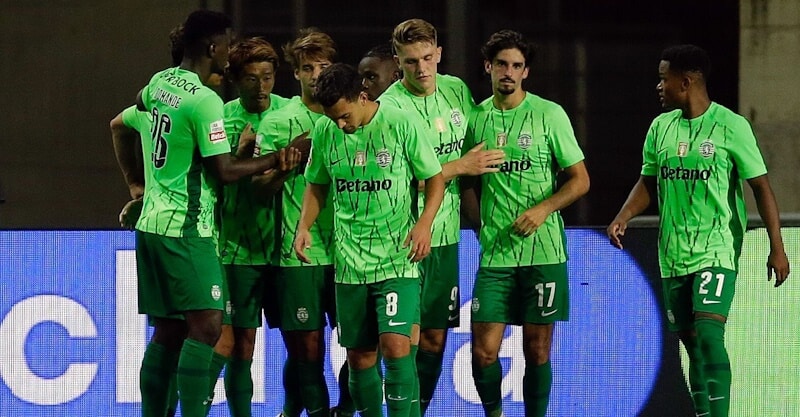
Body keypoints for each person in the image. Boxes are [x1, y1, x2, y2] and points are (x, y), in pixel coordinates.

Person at [112, 10, 307, 417]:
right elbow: (225, 171)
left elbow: (125, 120)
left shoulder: (159, 83)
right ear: (212, 47)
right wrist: (275, 158)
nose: (228, 52)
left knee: (170, 330)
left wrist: (137, 185)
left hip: (151, 224)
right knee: (208, 327)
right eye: (226, 44)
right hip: (186, 228)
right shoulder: (205, 101)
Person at [606, 44, 790, 417]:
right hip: (673, 253)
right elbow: (647, 182)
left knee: (708, 335)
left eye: (663, 78)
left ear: (685, 82)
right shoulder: (660, 128)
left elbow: (762, 187)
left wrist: (777, 245)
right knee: (691, 344)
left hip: (717, 248)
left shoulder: (731, 126)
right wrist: (623, 215)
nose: (658, 86)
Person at [295, 63, 444, 417]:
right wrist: (303, 228)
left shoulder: (400, 123)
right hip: (349, 263)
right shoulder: (325, 131)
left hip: (397, 257)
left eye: (345, 116)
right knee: (359, 356)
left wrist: (424, 224)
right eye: (334, 119)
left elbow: (435, 178)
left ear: (362, 97)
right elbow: (317, 184)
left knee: (396, 346)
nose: (341, 125)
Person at [378, 18, 505, 415]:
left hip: (446, 238)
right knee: (405, 341)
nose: (422, 69)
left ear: (439, 54)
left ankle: (422, 408)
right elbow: (399, 179)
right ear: (398, 62)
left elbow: (474, 164)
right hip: (405, 240)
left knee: (434, 339)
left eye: (427, 58)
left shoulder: (456, 91)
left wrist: (480, 222)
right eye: (411, 61)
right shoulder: (391, 107)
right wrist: (457, 167)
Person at [463, 30, 590, 417]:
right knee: (483, 351)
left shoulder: (549, 114)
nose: (509, 72)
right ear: (488, 67)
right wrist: (480, 223)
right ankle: (495, 412)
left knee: (537, 349)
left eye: (516, 65)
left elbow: (580, 180)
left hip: (544, 253)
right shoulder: (476, 118)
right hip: (497, 256)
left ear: (526, 72)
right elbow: (467, 179)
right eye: (502, 64)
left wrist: (544, 209)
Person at [251, 28, 346, 417]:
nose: (316, 75)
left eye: (323, 66)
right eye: (308, 68)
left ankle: (345, 406)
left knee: (364, 347)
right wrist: (281, 171)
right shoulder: (277, 122)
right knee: (307, 351)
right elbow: (256, 191)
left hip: (349, 252)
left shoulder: (349, 114)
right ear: (297, 73)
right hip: (298, 254)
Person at [216, 36, 292, 417]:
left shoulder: (292, 112)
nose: (261, 87)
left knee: (302, 341)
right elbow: (216, 177)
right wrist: (242, 155)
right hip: (237, 247)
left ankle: (293, 410)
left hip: (287, 249)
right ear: (235, 80)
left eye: (266, 76)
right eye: (250, 78)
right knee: (240, 343)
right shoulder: (220, 118)